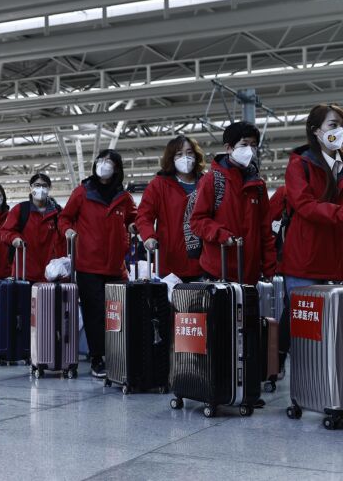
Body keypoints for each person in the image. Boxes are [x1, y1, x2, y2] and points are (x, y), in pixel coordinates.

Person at [59, 150, 137, 378]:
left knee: (118, 313)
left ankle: (118, 354)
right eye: (101, 161)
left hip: (115, 266)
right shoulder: (82, 192)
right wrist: (68, 231)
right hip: (88, 264)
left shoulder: (124, 197)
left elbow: (134, 218)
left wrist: (134, 227)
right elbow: (64, 218)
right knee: (94, 313)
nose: (104, 166)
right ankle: (97, 357)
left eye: (110, 162)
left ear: (117, 168)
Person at [278, 104, 343, 366]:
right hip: (304, 261)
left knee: (334, 330)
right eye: (333, 125)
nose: (339, 130)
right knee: (305, 329)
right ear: (316, 131)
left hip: (336, 259)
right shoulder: (299, 166)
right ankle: (302, 388)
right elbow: (303, 205)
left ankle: (331, 390)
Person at [189, 121, 276, 285]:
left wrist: (270, 267)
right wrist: (221, 235)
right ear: (228, 148)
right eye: (244, 144)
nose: (249, 150)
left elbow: (265, 230)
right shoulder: (212, 180)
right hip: (218, 271)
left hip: (250, 274)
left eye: (254, 145)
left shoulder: (258, 186)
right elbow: (197, 221)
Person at [135, 135, 206, 281]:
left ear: (196, 155)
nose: (185, 158)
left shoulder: (207, 183)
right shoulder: (158, 185)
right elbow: (144, 215)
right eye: (179, 154)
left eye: (189, 153)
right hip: (170, 265)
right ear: (171, 159)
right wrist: (148, 236)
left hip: (205, 262)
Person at [0, 173, 66, 283]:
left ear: (49, 188)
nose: (41, 189)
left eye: (44, 186)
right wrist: (14, 239)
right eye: (37, 185)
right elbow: (5, 231)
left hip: (50, 273)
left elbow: (64, 239)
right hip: (25, 272)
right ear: (30, 188)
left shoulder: (57, 212)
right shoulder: (21, 210)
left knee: (48, 300)